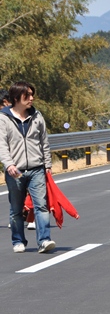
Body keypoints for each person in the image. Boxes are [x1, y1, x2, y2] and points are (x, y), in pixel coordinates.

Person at [0, 81, 56, 253]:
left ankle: (44, 240)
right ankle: (18, 240)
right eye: (28, 95)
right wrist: (8, 164)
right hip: (15, 171)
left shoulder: (37, 116)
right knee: (16, 209)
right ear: (17, 97)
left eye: (32, 95)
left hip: (37, 168)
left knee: (41, 205)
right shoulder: (3, 118)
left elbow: (44, 142)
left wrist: (47, 164)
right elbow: (2, 145)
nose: (31, 98)